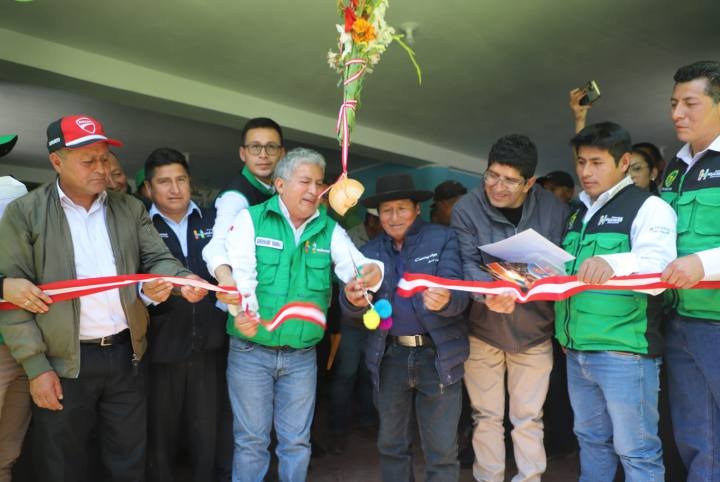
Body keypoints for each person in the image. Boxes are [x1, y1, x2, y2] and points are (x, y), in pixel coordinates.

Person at [0, 114, 208, 482]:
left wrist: (180, 277)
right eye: (89, 160)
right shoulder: (25, 214)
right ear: (56, 162)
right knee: (62, 465)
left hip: (126, 357)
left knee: (128, 460)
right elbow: (14, 301)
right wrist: (37, 368)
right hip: (63, 362)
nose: (102, 168)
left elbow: (157, 258)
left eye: (105, 158)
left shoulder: (129, 209)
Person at [220, 147, 383, 482]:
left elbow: (357, 264)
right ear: (280, 184)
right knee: (251, 442)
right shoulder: (250, 219)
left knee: (296, 442)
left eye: (319, 183)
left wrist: (367, 276)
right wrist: (242, 311)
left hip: (301, 356)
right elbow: (242, 276)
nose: (314, 190)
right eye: (305, 181)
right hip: (251, 352)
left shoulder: (329, 230)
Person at [557, 122, 676, 481]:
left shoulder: (649, 207)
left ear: (624, 162)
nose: (586, 171)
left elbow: (659, 269)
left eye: (596, 162)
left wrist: (613, 262)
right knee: (591, 441)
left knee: (637, 451)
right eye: (581, 162)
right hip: (576, 351)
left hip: (624, 353)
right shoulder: (578, 212)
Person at [451, 134, 569, 482]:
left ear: (530, 182)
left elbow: (564, 263)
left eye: (510, 180)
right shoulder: (467, 208)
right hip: (483, 330)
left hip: (534, 332)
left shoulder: (555, 210)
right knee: (485, 416)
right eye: (491, 175)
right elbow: (467, 263)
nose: (497, 187)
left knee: (528, 417)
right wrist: (490, 292)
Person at [340, 174, 468, 482]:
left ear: (417, 210)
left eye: (402, 208)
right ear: (378, 215)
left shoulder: (443, 238)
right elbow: (351, 311)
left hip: (438, 356)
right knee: (391, 446)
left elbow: (461, 295)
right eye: (386, 210)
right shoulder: (369, 253)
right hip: (389, 357)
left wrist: (447, 299)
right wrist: (352, 300)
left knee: (441, 451)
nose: (394, 217)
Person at [142, 148, 228, 482]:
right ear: (149, 189)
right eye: (164, 182)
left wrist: (219, 310)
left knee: (207, 432)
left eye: (181, 179)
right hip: (161, 348)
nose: (174, 188)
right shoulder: (141, 226)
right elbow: (132, 281)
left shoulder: (211, 222)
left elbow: (230, 272)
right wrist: (147, 296)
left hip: (210, 345)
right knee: (160, 436)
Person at [659, 60, 720, 482]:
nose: (677, 113)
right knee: (696, 436)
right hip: (680, 320)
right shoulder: (675, 166)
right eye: (674, 103)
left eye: (690, 103)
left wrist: (704, 263)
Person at [203, 117, 285, 290]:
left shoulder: (281, 190)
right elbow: (217, 245)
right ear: (243, 153)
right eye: (255, 147)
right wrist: (226, 278)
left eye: (271, 147)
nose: (263, 155)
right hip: (242, 297)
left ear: (282, 153)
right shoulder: (235, 197)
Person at [327, 207, 382, 454]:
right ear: (371, 219)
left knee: (370, 372)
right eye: (381, 219)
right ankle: (338, 427)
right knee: (346, 374)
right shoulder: (348, 238)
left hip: (376, 321)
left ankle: (367, 421)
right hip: (350, 322)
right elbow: (343, 281)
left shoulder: (385, 240)